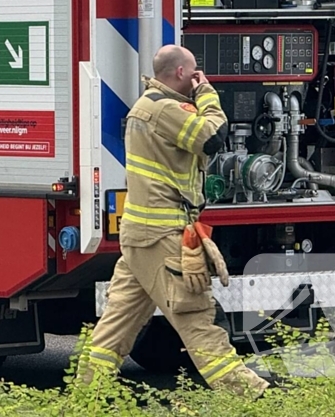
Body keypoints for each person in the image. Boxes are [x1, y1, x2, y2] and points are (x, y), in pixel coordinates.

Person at [81, 44, 268, 397]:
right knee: (197, 317)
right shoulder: (163, 109)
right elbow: (212, 138)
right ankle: (249, 395)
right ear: (181, 73)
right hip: (163, 235)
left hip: (142, 235)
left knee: (117, 323)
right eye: (194, 70)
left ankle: (87, 396)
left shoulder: (151, 107)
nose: (197, 76)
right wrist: (208, 94)